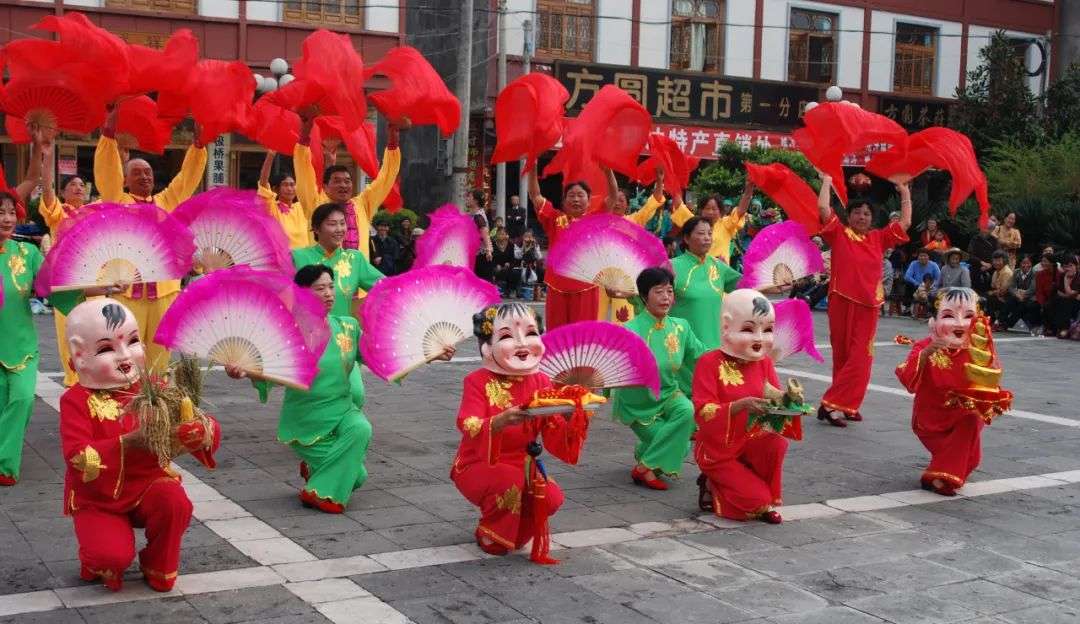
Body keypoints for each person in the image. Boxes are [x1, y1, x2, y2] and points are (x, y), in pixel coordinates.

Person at [60, 299, 220, 592]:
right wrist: (130, 442)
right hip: (99, 497)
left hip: (148, 485)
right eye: (107, 348)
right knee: (110, 557)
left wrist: (199, 431)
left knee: (175, 502)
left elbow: (198, 421)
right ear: (79, 357)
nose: (125, 356)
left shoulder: (154, 387)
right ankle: (97, 556)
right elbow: (78, 456)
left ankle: (158, 562)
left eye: (133, 341)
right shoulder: (76, 400)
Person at [452, 303, 590, 557]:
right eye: (506, 336)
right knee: (511, 482)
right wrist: (499, 421)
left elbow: (553, 428)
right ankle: (490, 530)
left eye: (531, 333)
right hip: (480, 461)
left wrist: (572, 416)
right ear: (486, 345)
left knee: (551, 497)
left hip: (524, 463)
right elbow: (467, 422)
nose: (522, 344)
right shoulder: (476, 381)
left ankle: (512, 532)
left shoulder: (540, 380)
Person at [94, 105, 208, 373]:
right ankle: (126, 406)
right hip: (128, 293)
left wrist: (199, 146)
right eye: (137, 173)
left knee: (159, 360)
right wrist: (108, 134)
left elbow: (186, 179)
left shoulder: (167, 201)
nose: (144, 176)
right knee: (125, 354)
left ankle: (155, 408)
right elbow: (107, 171)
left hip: (165, 292)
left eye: (147, 172)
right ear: (124, 180)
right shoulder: (117, 201)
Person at [692, 289, 799, 524]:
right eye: (749, 329)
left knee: (776, 443)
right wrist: (739, 406)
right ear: (726, 327)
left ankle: (738, 484)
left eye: (768, 329)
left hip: (751, 438)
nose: (760, 338)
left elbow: (774, 400)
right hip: (718, 448)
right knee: (757, 501)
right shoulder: (708, 362)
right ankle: (713, 481)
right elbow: (703, 411)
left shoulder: (765, 363)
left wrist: (790, 399)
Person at [896, 288, 1011, 497]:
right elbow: (907, 379)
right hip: (931, 419)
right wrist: (926, 353)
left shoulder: (979, 349)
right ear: (933, 322)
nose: (959, 323)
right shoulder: (924, 347)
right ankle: (938, 477)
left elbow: (990, 382)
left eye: (968, 316)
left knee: (972, 456)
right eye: (949, 316)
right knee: (962, 454)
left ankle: (941, 474)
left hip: (963, 416)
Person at [816, 174, 911, 426]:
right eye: (857, 212)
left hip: (868, 305)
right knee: (843, 355)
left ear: (872, 218)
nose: (862, 217)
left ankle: (832, 403)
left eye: (867, 214)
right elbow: (824, 208)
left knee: (861, 358)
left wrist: (904, 192)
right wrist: (826, 180)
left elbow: (906, 222)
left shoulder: (878, 238)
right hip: (841, 301)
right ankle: (844, 405)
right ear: (849, 215)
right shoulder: (839, 233)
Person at [612, 267, 705, 491]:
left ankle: (644, 467)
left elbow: (702, 356)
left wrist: (728, 358)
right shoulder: (630, 331)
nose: (666, 297)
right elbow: (612, 369)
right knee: (678, 444)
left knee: (686, 413)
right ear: (644, 296)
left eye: (670, 291)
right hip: (639, 402)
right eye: (659, 291)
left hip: (669, 393)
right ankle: (648, 453)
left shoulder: (681, 327)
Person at [293, 204, 384, 409]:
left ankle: (345, 431)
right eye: (332, 224)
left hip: (344, 339)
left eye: (343, 223)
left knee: (356, 395)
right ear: (316, 229)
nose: (339, 229)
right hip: (310, 340)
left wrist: (424, 278)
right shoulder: (299, 257)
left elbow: (385, 286)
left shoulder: (355, 259)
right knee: (314, 398)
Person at [293, 111, 403, 257]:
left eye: (347, 181)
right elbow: (303, 170)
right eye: (337, 181)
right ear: (325, 187)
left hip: (356, 278)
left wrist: (393, 144)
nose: (343, 185)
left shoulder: (363, 204)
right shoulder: (315, 203)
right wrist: (305, 133)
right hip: (324, 277)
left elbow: (386, 177)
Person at [37, 135, 87, 387]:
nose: (79, 188)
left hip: (93, 282)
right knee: (68, 332)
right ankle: (73, 380)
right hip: (67, 282)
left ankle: (94, 376)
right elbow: (47, 192)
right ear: (64, 191)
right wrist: (47, 157)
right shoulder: (59, 213)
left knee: (94, 329)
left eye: (82, 185)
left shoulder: (94, 212)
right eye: (73, 185)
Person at [528, 168, 598, 328]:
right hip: (557, 284)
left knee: (584, 335)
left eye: (581, 195)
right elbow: (535, 196)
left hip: (586, 285)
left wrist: (608, 172)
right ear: (564, 200)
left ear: (589, 199)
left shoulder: (595, 220)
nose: (576, 199)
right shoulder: (555, 218)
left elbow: (613, 198)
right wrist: (533, 166)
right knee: (557, 332)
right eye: (571, 195)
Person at [599, 169, 667, 324]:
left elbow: (654, 201)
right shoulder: (598, 221)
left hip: (624, 277)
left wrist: (659, 181)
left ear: (628, 205)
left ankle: (624, 346)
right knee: (595, 318)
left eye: (621, 200)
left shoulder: (634, 220)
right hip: (600, 276)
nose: (617, 203)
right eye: (614, 199)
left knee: (623, 319)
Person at [669, 215, 741, 356]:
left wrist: (779, 285)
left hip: (714, 346)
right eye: (701, 233)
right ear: (686, 238)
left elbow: (747, 286)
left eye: (709, 233)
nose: (707, 238)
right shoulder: (672, 266)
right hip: (681, 347)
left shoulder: (718, 266)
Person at [672, 181, 753, 264]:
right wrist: (672, 178)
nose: (710, 212)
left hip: (720, 271)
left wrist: (748, 190)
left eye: (714, 209)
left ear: (720, 211)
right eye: (707, 208)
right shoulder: (693, 223)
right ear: (701, 210)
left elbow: (741, 211)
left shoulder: (726, 223)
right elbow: (679, 206)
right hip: (697, 270)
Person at [256, 151, 310, 249]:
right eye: (285, 185)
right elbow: (263, 183)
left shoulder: (301, 207)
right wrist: (270, 155)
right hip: (284, 260)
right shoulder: (272, 207)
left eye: (292, 185)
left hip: (305, 260)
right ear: (276, 189)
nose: (290, 189)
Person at [998, 255, 1039, 333]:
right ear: (1020, 264)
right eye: (1023, 263)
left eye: (1028, 263)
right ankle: (1001, 321)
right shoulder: (1016, 272)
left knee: (1022, 306)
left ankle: (1007, 324)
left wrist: (1023, 295)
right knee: (1009, 302)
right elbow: (1011, 287)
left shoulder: (1035, 273)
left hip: (1029, 298)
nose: (1025, 265)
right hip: (1018, 296)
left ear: (1031, 264)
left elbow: (1032, 289)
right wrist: (1017, 294)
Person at [1047, 254, 1080, 338]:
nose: (1068, 268)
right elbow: (1059, 291)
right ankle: (1052, 328)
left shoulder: (1077, 276)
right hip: (1067, 299)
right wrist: (1069, 295)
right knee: (1052, 302)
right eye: (1065, 266)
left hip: (1076, 303)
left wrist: (1066, 280)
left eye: (1071, 266)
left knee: (1066, 303)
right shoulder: (1062, 275)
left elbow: (1070, 293)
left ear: (1076, 266)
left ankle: (1064, 329)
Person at [968, 220, 1000, 295]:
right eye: (984, 228)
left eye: (988, 229)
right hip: (976, 267)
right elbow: (970, 255)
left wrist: (990, 265)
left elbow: (998, 256)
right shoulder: (975, 239)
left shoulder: (994, 240)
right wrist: (981, 263)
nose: (985, 230)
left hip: (991, 268)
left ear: (992, 230)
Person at [985, 251, 1013, 324]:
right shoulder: (996, 272)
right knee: (984, 297)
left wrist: (992, 292)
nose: (996, 263)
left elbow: (1003, 291)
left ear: (1004, 261)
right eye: (994, 260)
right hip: (998, 296)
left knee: (989, 298)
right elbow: (993, 286)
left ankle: (992, 321)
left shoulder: (1007, 272)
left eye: (998, 260)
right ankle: (990, 320)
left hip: (1006, 299)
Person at [491, 227, 520, 296]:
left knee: (515, 273)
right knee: (495, 271)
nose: (501, 236)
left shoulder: (511, 245)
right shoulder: (492, 244)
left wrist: (509, 264)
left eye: (502, 234)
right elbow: (491, 259)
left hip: (507, 267)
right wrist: (496, 265)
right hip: (496, 267)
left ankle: (511, 290)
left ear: (506, 235)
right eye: (499, 234)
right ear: (496, 235)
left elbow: (513, 259)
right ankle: (497, 290)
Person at [1035, 252, 1059, 335]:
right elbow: (1039, 291)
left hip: (1056, 298)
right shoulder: (1039, 274)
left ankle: (1050, 328)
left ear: (1052, 263)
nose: (1043, 263)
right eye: (1042, 261)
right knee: (1033, 305)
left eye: (1045, 261)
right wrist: (1042, 303)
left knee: (1049, 305)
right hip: (1044, 299)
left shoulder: (1059, 274)